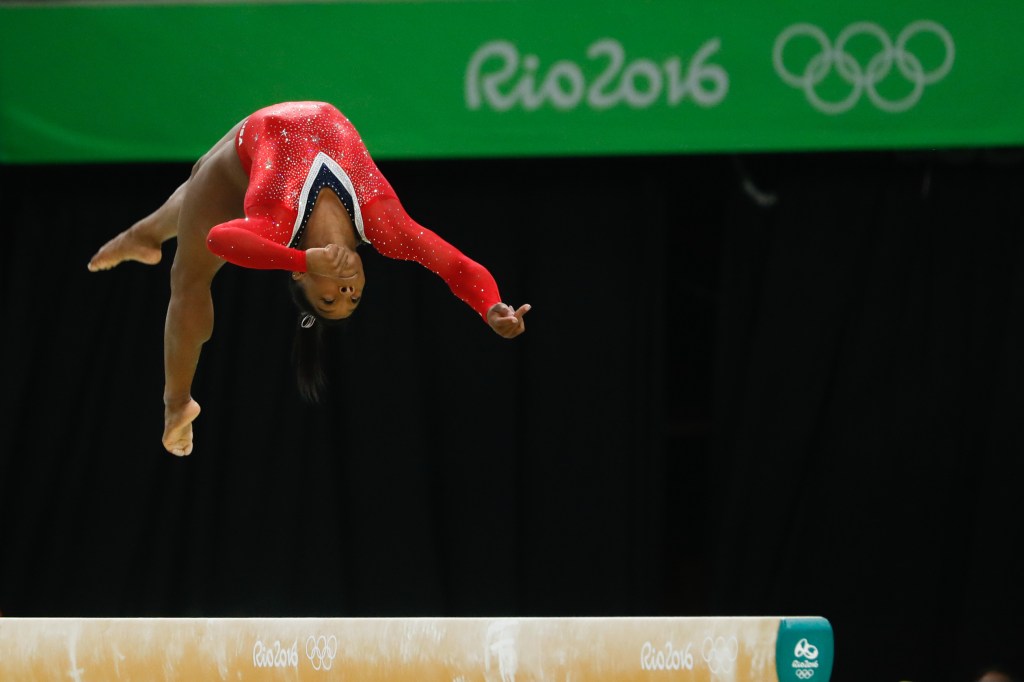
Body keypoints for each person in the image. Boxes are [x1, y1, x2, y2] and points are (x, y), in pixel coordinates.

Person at [88, 101, 530, 457]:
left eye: (330, 301)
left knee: (187, 275)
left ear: (300, 279)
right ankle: (143, 235)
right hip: (266, 125)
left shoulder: (279, 223)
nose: (345, 292)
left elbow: (219, 238)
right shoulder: (385, 227)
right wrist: (490, 306)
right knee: (194, 177)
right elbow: (454, 266)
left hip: (240, 159)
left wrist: (302, 256)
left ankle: (176, 403)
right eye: (353, 299)